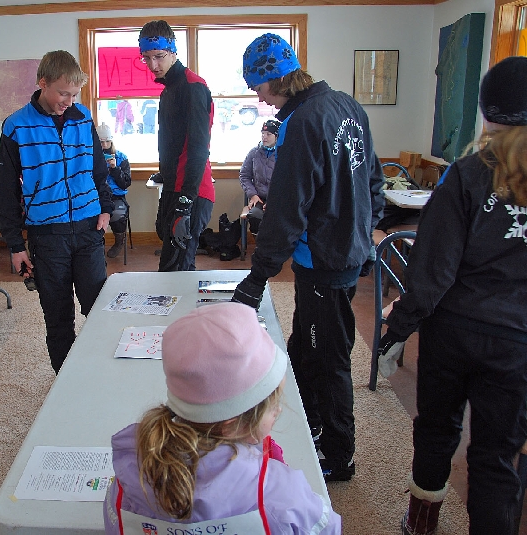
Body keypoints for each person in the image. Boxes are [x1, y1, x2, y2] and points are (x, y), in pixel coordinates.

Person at [376, 57, 527, 535]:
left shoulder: (468, 173)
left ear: (485, 110)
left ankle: (421, 525)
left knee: (435, 432)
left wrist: (398, 329)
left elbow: (433, 269)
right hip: (523, 339)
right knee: (496, 456)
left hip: (453, 332)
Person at [231, 34, 385, 482]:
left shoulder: (302, 122)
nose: (257, 97)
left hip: (324, 260)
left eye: (256, 87)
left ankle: (340, 455)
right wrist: (364, 236)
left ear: (273, 78)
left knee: (329, 358)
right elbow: (374, 182)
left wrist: (257, 278)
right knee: (303, 345)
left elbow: (287, 207)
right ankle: (313, 427)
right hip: (344, 251)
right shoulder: (347, 106)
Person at [103, 302, 341, 533]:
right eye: (273, 406)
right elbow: (326, 528)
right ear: (231, 425)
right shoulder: (282, 494)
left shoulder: (128, 476)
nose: (278, 411)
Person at [0, 50, 113, 375]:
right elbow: (7, 191)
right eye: (63, 93)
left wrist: (105, 207)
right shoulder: (16, 126)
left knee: (98, 308)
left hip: (89, 230)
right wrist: (15, 245)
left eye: (74, 94)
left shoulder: (83, 117)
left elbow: (98, 168)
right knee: (58, 317)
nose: (68, 100)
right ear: (42, 83)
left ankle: (100, 373)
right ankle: (66, 382)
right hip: (47, 239)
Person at [139, 20, 215, 272]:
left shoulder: (193, 87)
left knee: (173, 273)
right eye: (146, 58)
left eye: (159, 56)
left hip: (192, 190)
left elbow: (198, 148)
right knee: (176, 264)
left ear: (173, 51)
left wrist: (185, 203)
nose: (153, 65)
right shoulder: (168, 90)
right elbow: (173, 142)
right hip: (174, 185)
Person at [96, 123, 132, 258]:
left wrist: (115, 169)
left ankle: (119, 242)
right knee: (90, 215)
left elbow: (125, 184)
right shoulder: (91, 157)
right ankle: (96, 244)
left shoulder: (121, 157)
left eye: (107, 141)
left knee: (117, 214)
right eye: (101, 142)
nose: (104, 145)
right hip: (96, 195)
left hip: (116, 196)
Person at [239, 119, 281, 234]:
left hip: (279, 198)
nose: (264, 137)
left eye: (268, 134)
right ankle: (261, 248)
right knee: (255, 217)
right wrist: (253, 195)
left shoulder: (284, 153)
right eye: (262, 133)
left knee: (278, 219)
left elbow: (289, 180)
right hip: (259, 198)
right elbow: (244, 176)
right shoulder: (254, 153)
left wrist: (274, 200)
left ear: (277, 136)